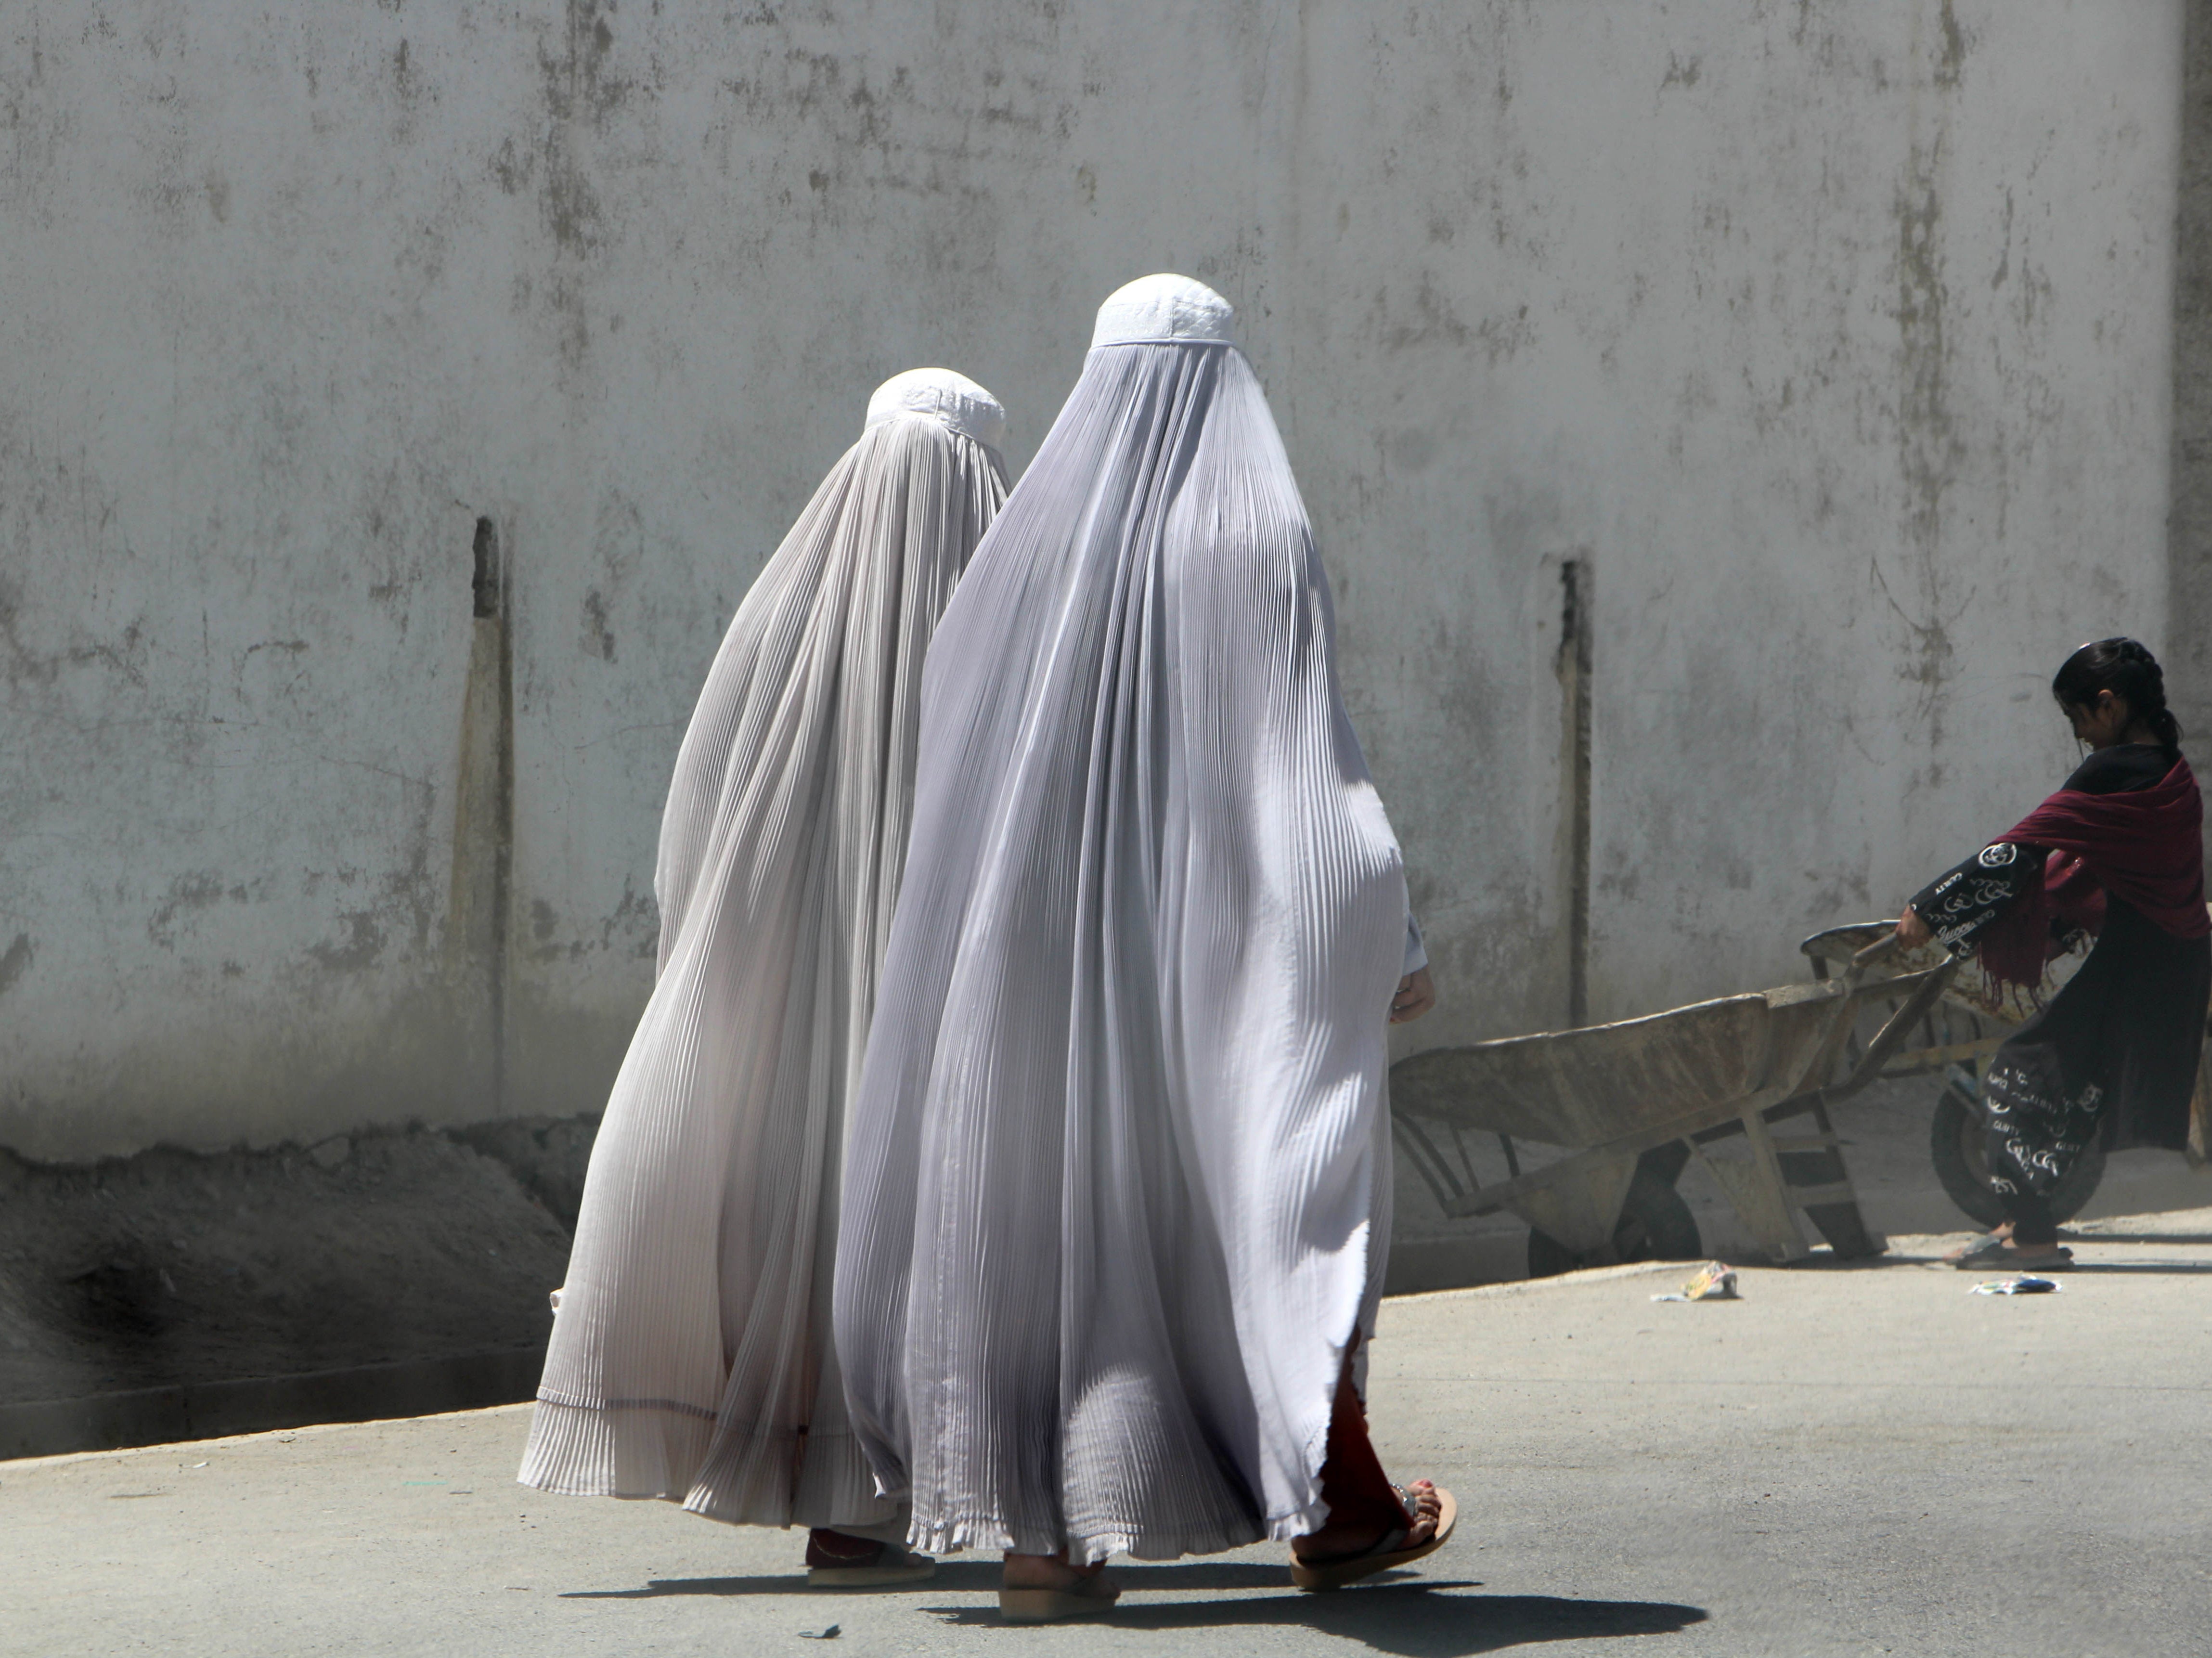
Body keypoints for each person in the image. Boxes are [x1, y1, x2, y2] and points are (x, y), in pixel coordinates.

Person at [832, 275, 1450, 1624]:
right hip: (1195, 965)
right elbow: (1301, 766)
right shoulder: (1251, 532)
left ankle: (1044, 1547)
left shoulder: (1018, 549)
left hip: (1022, 965)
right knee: (1229, 1211)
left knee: (1045, 1229)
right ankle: (1323, 1496)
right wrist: (1379, 932)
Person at [517, 369, 1011, 1584]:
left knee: (789, 1223)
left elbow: (697, 809)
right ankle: (876, 1498)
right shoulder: (1012, 614)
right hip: (946, 1011)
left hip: (785, 1008)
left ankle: (830, 1484)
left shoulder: (786, 609)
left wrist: (714, 951)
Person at [1896, 637, 2211, 1270]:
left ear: (2109, 704)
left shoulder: (2115, 770)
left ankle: (2033, 1238)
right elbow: (2115, 868)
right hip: (2167, 956)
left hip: (2143, 961)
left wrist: (1930, 912)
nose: (2080, 738)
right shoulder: (2170, 768)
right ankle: (2022, 1225)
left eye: (2078, 721)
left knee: (2020, 1069)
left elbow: (2025, 847)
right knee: (2076, 1091)